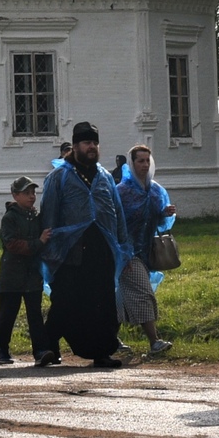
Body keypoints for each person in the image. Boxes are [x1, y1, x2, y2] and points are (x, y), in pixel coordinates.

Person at [39, 122, 130, 369]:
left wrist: (123, 244)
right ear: (76, 146)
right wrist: (51, 248)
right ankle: (48, 345)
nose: (92, 147)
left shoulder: (105, 176)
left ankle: (102, 352)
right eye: (87, 143)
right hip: (70, 251)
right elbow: (49, 213)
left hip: (102, 249)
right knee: (66, 302)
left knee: (102, 302)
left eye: (95, 143)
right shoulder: (59, 176)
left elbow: (116, 211)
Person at [114, 145, 175, 358]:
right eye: (140, 161)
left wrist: (164, 212)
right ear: (131, 164)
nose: (145, 165)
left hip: (145, 252)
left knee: (120, 297)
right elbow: (113, 222)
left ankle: (111, 339)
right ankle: (154, 341)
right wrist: (121, 253)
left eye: (147, 160)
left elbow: (160, 222)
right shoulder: (122, 192)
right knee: (144, 293)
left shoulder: (155, 190)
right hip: (125, 254)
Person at [0, 176, 47, 365]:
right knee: (7, 314)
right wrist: (38, 243)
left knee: (35, 314)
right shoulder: (10, 218)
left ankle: (40, 351)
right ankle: (1, 348)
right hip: (12, 274)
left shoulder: (36, 217)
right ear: (15, 195)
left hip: (32, 273)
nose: (31, 197)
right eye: (26, 193)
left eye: (33, 192)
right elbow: (12, 244)